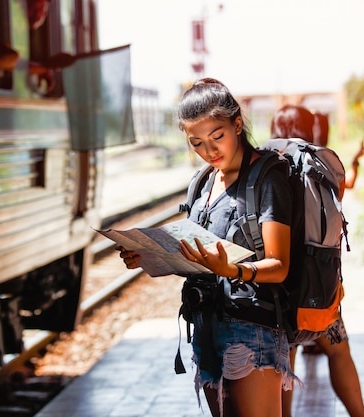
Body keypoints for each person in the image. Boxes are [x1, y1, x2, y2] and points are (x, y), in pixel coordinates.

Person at [118, 78, 298, 417]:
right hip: (205, 326)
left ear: (237, 124)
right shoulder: (201, 183)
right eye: (197, 142)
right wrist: (150, 255)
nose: (209, 150)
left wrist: (233, 271)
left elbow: (280, 265)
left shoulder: (266, 178)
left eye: (218, 136)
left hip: (252, 330)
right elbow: (197, 253)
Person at [270, 104, 364, 417]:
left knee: (285, 362)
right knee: (339, 353)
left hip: (278, 289)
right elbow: (340, 192)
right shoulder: (320, 164)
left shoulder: (266, 166)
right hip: (318, 287)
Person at [312, 112, 364, 190]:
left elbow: (348, 183)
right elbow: (348, 183)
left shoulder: (323, 158)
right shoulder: (322, 158)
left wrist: (355, 159)